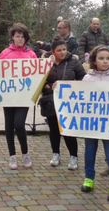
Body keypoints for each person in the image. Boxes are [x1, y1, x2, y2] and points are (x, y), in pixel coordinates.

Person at [80, 45, 109, 202]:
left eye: (108, 59)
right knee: (89, 153)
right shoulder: (87, 78)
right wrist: (60, 88)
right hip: (91, 124)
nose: (105, 61)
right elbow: (77, 96)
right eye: (101, 58)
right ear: (94, 60)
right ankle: (89, 179)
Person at [39, 39, 85, 170]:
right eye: (59, 50)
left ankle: (73, 156)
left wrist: (72, 86)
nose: (62, 52)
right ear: (53, 51)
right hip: (50, 102)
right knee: (54, 130)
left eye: (64, 49)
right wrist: (47, 86)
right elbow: (38, 79)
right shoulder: (46, 62)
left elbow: (83, 78)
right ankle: (56, 154)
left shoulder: (73, 62)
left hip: (68, 102)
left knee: (68, 130)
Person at [0, 23, 37, 169]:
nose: (20, 39)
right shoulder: (5, 53)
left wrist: (49, 63)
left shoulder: (31, 54)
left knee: (19, 124)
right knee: (9, 126)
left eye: (23, 36)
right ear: (12, 37)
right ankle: (12, 156)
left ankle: (25, 153)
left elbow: (38, 73)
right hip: (8, 95)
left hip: (24, 96)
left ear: (26, 38)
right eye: (17, 36)